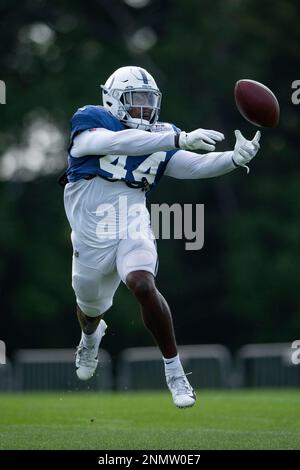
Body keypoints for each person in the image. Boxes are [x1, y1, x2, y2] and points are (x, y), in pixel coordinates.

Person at [62, 66, 260, 408]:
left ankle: (175, 371)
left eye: (148, 101)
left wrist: (233, 158)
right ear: (113, 100)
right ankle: (90, 337)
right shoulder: (92, 120)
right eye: (135, 100)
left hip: (130, 222)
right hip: (90, 234)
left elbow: (192, 165)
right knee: (89, 307)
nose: (144, 109)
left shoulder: (161, 134)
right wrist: (176, 139)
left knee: (142, 283)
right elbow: (112, 143)